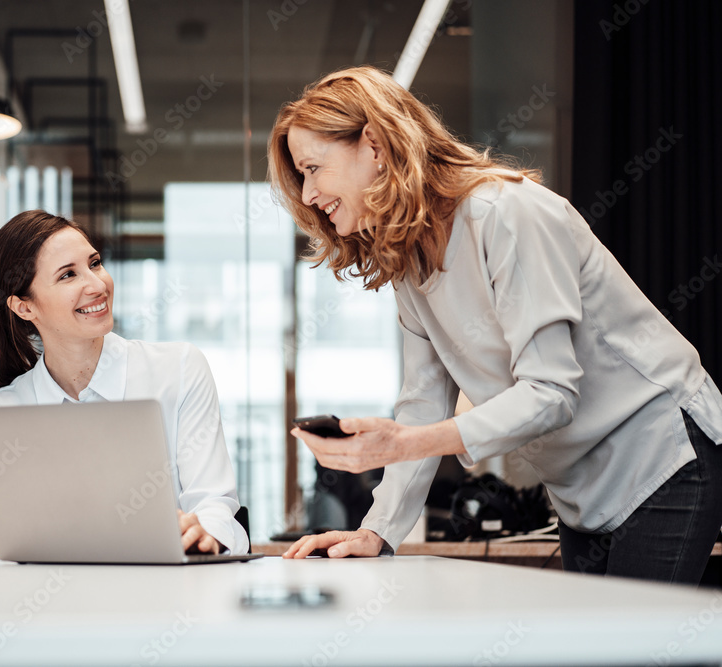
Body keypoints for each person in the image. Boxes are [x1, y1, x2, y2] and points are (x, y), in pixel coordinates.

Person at [268, 66, 722, 583]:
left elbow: (552, 392)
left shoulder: (506, 213)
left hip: (661, 450)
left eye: (311, 168)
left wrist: (406, 443)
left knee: (634, 652)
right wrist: (377, 530)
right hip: (579, 485)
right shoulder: (408, 259)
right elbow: (421, 402)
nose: (306, 196)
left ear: (373, 144)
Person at [0, 210, 248, 555]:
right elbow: (24, 538)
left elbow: (214, 503)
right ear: (24, 307)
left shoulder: (178, 368)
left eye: (95, 263)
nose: (97, 284)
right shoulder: (0, 413)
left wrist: (206, 533)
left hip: (168, 593)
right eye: (68, 275)